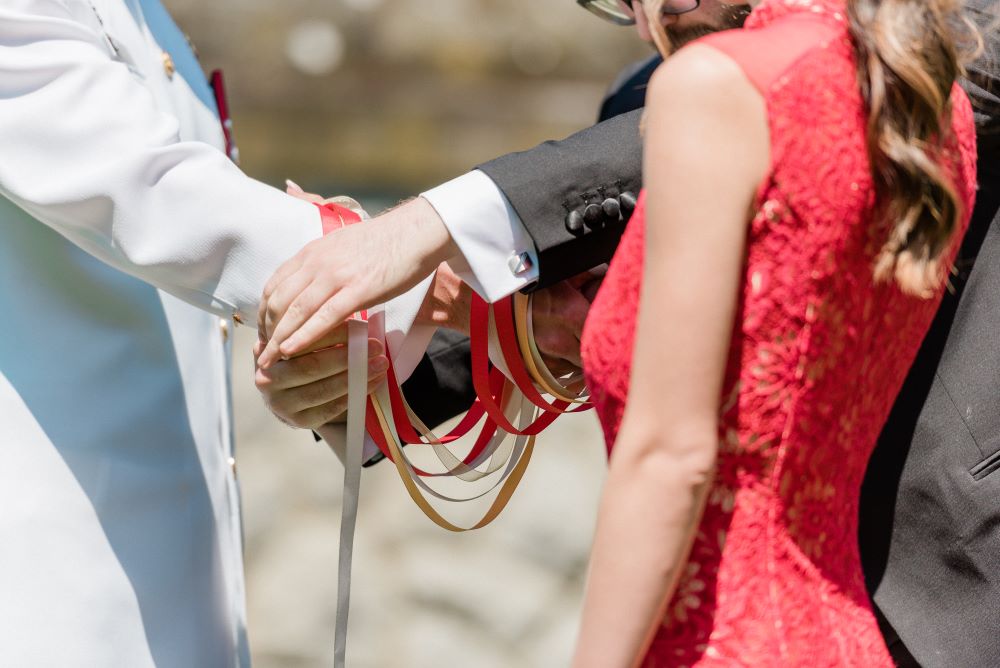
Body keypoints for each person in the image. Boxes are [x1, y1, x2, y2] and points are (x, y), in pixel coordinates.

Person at [258, 0, 980, 664]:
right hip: (818, 627)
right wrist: (355, 350)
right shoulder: (649, 92)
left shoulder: (926, 50)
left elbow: (673, 452)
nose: (642, 21)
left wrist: (433, 225)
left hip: (950, 572)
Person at [573, 0, 976, 664]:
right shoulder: (922, 87)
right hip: (843, 635)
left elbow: (671, 458)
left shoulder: (717, 88)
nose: (643, 26)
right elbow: (786, 349)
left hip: (719, 641)